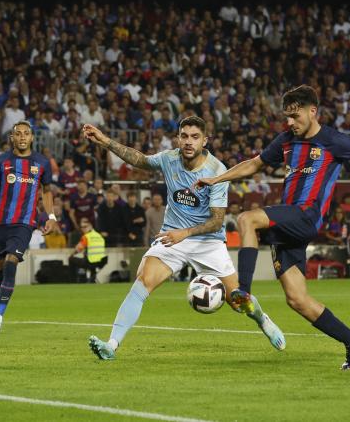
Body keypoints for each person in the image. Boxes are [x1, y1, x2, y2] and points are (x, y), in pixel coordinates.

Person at [195, 85, 350, 370]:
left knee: (246, 219)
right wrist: (217, 180)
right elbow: (255, 164)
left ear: (312, 111)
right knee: (297, 299)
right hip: (289, 222)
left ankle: (243, 291)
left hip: (307, 215)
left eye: (295, 116)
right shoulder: (286, 140)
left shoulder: (332, 140)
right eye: (287, 117)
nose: (290, 123)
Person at [83, 116, 284, 361]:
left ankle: (263, 320)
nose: (189, 142)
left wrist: (185, 233)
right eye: (184, 136)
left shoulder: (217, 171)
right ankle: (111, 345)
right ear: (178, 138)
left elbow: (217, 221)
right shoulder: (170, 159)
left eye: (195, 137)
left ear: (205, 140)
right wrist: (105, 141)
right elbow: (141, 160)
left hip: (207, 240)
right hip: (172, 235)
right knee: (142, 281)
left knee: (238, 301)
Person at [0, 120, 57, 333]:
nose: (23, 137)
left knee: (11, 261)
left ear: (32, 138)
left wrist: (50, 215)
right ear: (12, 138)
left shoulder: (42, 163)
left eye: (26, 133)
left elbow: (48, 191)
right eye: (18, 133)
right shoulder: (1, 161)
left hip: (24, 222)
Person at [69, 217, 108, 283]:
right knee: (90, 264)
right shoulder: (99, 235)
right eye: (81, 227)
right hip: (102, 261)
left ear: (90, 226)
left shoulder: (86, 236)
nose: (83, 229)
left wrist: (72, 254)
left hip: (91, 261)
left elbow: (78, 249)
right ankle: (92, 280)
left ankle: (73, 281)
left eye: (85, 226)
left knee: (71, 259)